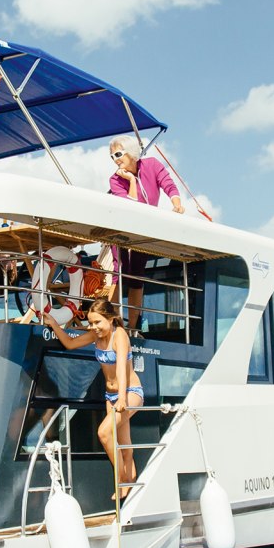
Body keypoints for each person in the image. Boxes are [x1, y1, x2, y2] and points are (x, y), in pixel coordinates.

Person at [43, 300, 142, 499]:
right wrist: (54, 323)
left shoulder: (119, 335)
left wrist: (122, 398)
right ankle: (131, 484)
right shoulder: (96, 335)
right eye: (90, 323)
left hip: (130, 392)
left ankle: (122, 481)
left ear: (111, 318)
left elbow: (122, 369)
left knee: (104, 433)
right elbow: (70, 344)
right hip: (110, 395)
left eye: (97, 322)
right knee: (123, 443)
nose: (93, 327)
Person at [106, 135, 186, 330]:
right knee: (119, 272)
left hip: (144, 230)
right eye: (112, 156)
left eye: (118, 154)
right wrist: (131, 181)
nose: (116, 159)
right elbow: (129, 207)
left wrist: (177, 205)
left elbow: (168, 184)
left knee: (137, 274)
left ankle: (132, 327)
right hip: (120, 227)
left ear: (131, 152)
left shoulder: (152, 165)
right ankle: (113, 323)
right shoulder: (115, 180)